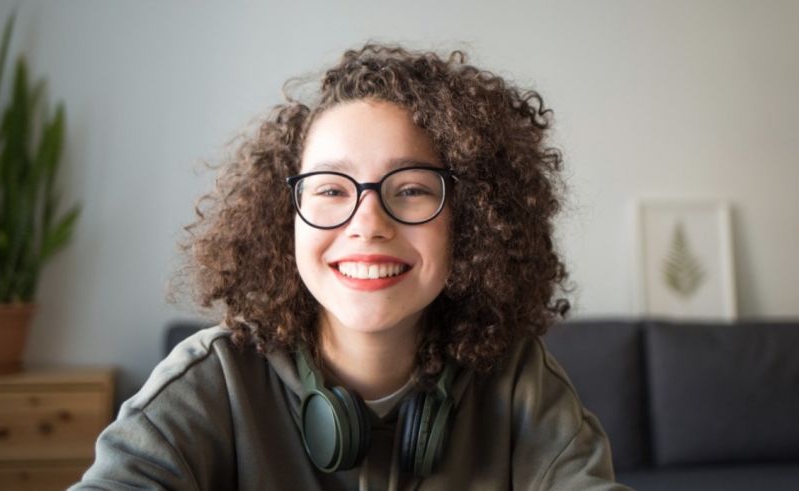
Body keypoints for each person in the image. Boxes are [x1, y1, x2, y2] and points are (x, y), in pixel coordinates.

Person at [70, 44, 631, 490]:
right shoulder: (213, 379)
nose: (368, 223)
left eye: (411, 189)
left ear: (471, 221)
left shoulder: (518, 380)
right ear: (283, 217)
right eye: (331, 189)